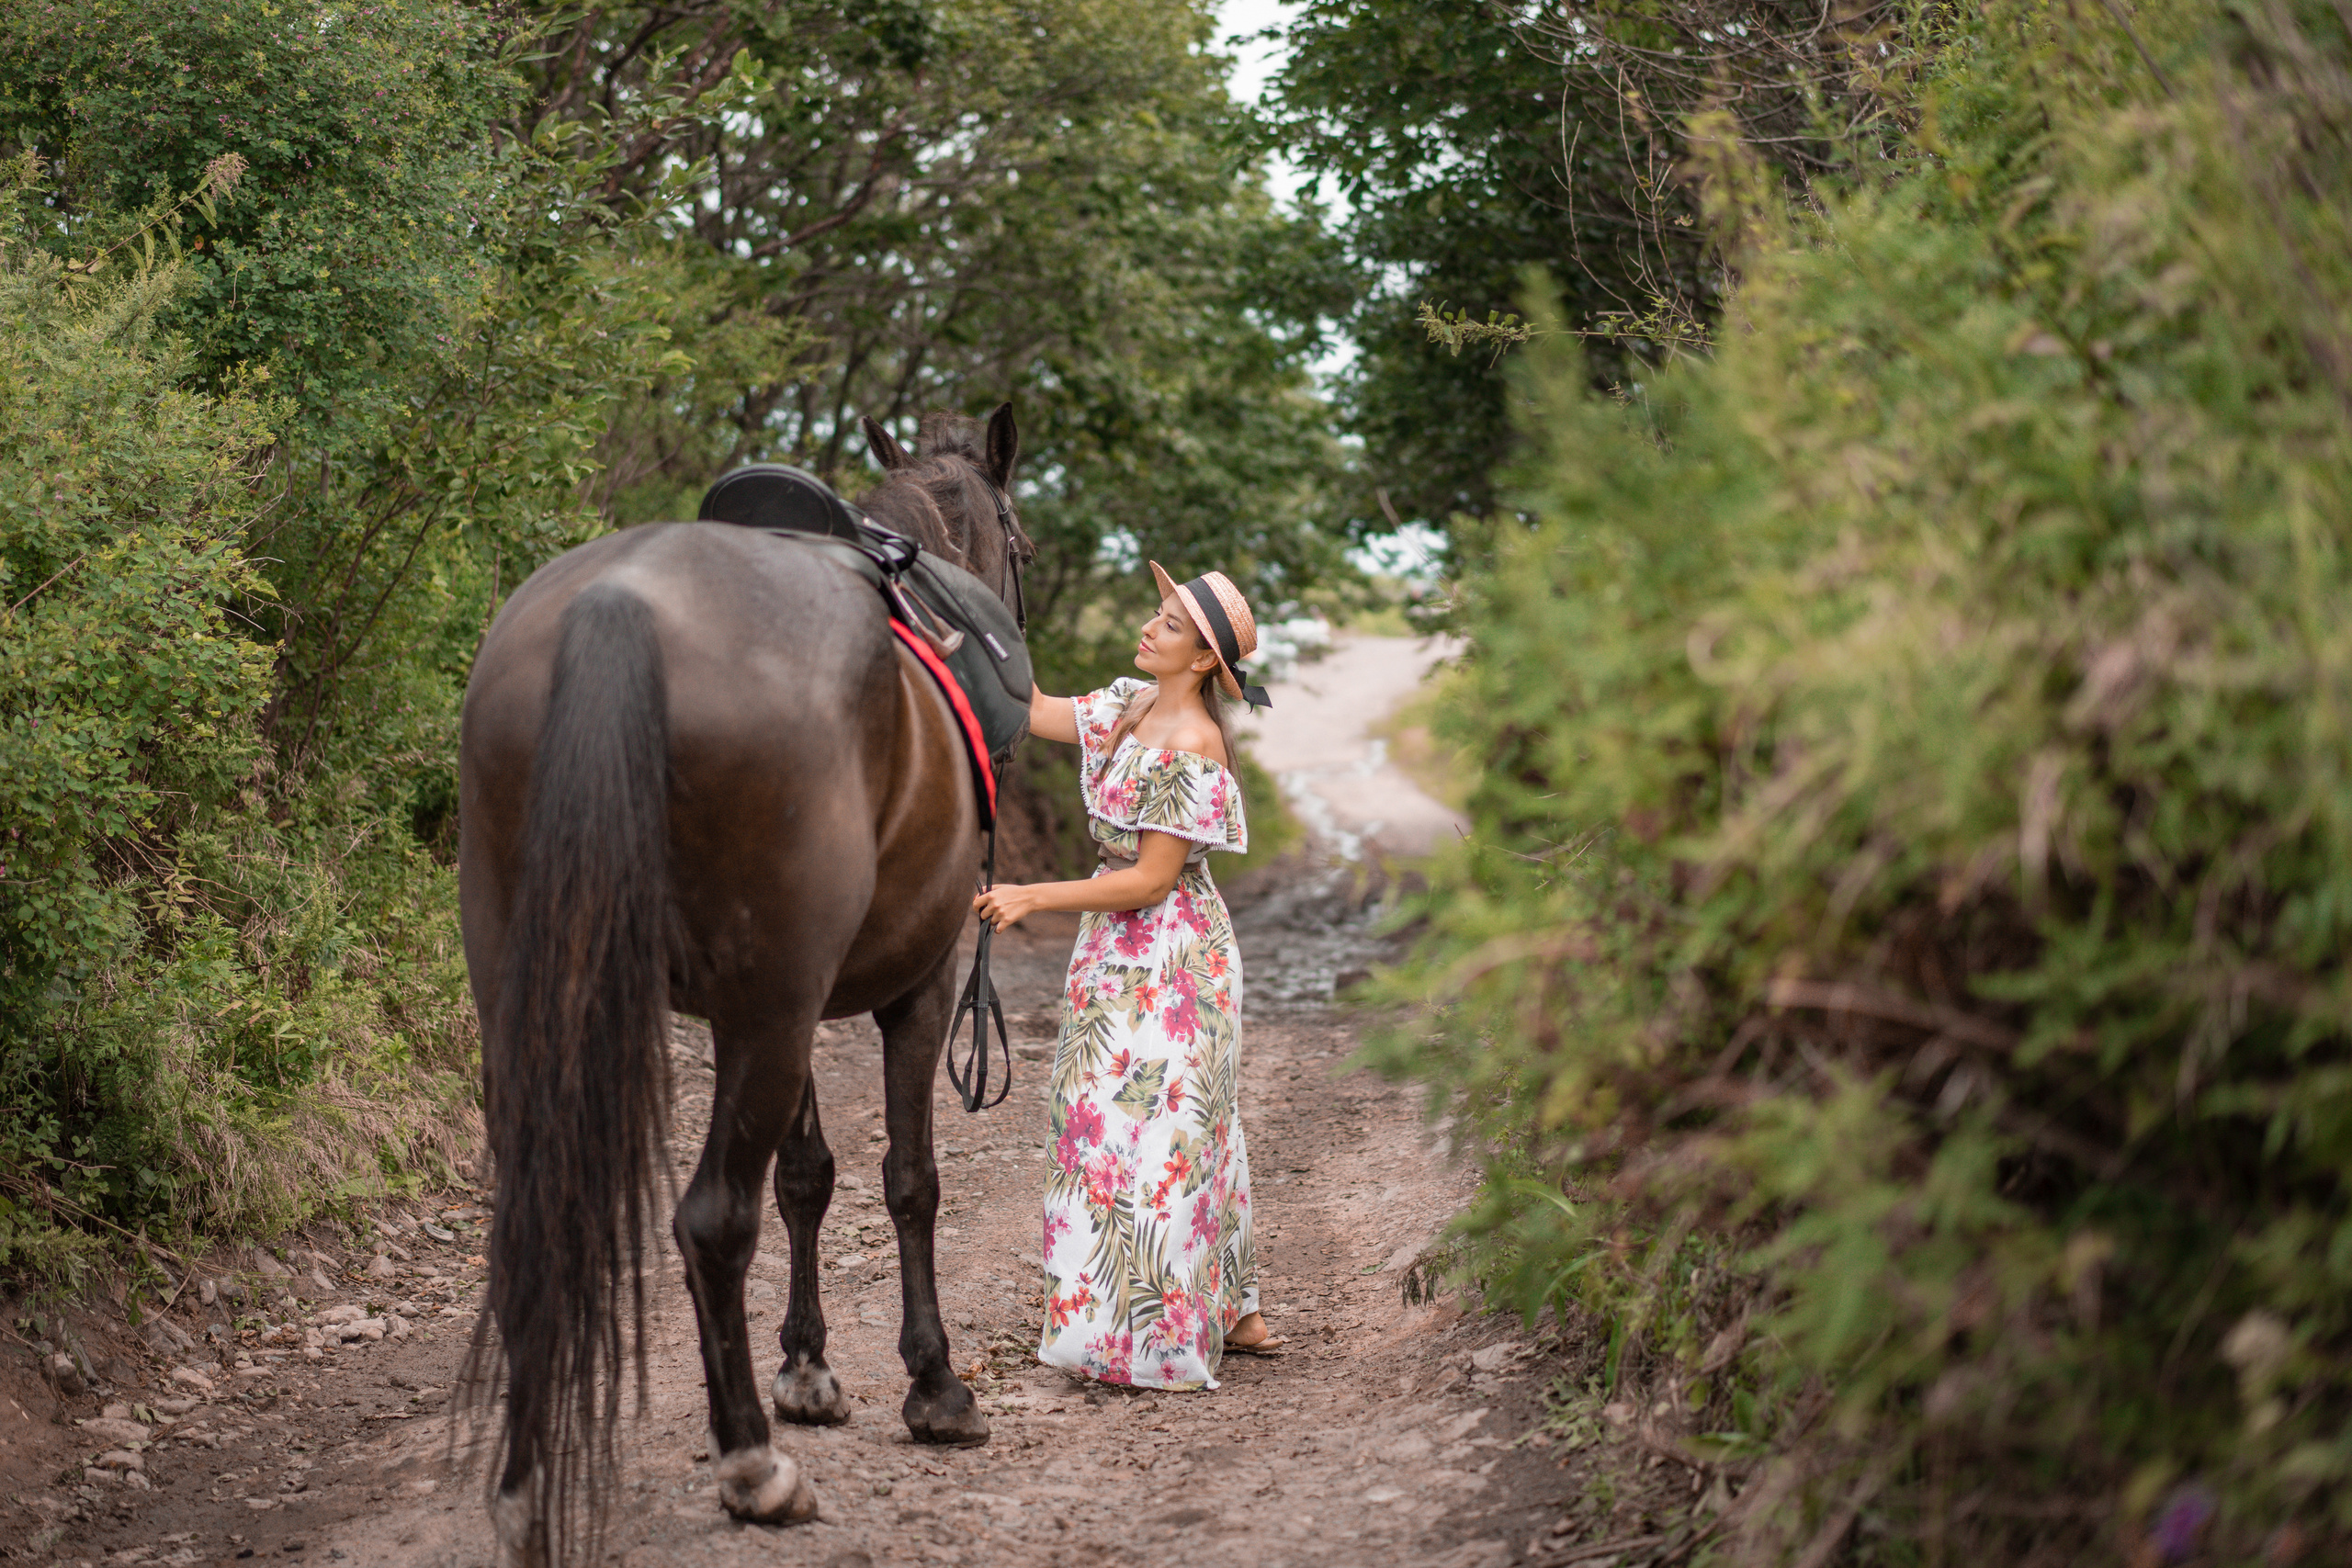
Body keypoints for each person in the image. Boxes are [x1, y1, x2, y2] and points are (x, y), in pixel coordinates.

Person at [973, 562, 1283, 1389]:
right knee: (1103, 1127)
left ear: (1205, 661)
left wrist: (1032, 893)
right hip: (1112, 953)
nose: (1150, 628)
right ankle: (1232, 1307)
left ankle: (1163, 1331)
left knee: (1169, 1133)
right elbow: (1034, 710)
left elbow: (1150, 880)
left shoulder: (1195, 745)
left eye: (1171, 625)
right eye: (1157, 613)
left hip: (1176, 956)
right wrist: (974, 618)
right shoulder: (1129, 705)